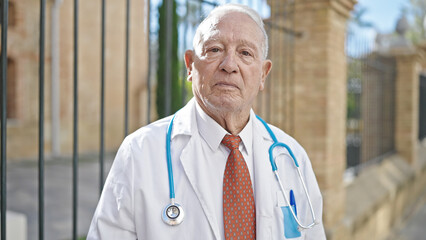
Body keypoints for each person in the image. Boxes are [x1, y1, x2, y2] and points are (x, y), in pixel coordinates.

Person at [88, 3, 326, 240]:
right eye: (214, 49)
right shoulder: (140, 152)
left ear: (263, 74)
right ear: (190, 65)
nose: (229, 65)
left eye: (245, 53)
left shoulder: (292, 157)